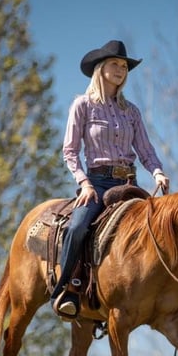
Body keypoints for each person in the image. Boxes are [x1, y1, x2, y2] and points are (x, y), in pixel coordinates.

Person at [51, 40, 170, 317]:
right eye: (115, 64)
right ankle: (68, 288)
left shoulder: (132, 112)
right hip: (97, 183)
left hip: (129, 184)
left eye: (125, 66)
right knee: (78, 226)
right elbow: (70, 151)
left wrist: (157, 171)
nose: (121, 70)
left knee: (162, 228)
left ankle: (151, 293)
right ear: (101, 69)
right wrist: (84, 183)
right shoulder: (83, 105)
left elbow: (145, 150)